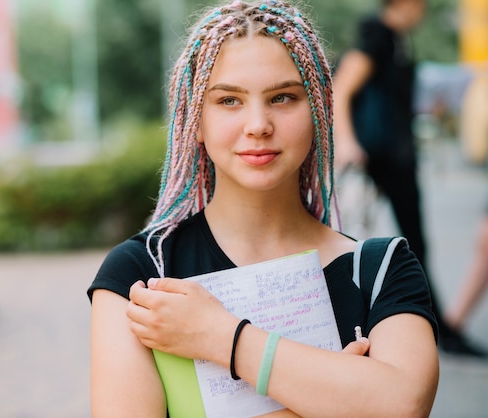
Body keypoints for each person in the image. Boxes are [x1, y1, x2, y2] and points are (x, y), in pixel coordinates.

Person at [88, 1, 439, 416]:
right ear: (194, 120)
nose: (258, 124)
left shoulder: (381, 269)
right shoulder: (142, 275)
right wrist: (328, 399)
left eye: (283, 97)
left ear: (318, 111)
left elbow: (404, 405)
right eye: (229, 101)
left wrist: (222, 338)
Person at [332, 0, 485, 357]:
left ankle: (439, 329)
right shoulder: (378, 35)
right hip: (380, 156)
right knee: (386, 241)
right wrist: (349, 142)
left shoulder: (396, 38)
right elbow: (343, 87)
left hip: (393, 155)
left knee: (409, 242)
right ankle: (434, 331)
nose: (425, 9)